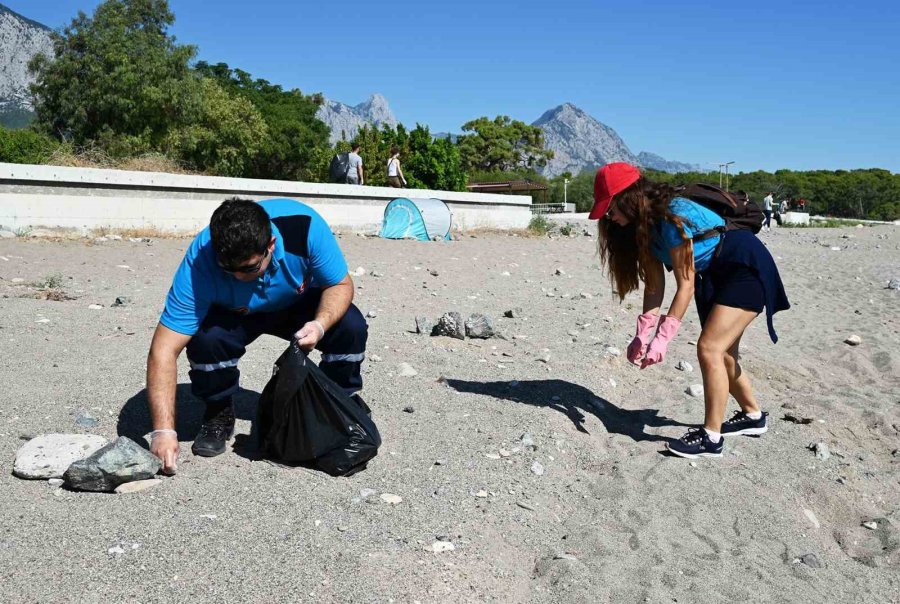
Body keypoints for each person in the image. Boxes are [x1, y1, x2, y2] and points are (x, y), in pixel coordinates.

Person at [146, 198, 368, 474]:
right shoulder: (201, 260)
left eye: (249, 268)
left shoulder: (306, 228)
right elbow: (164, 349)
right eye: (229, 270)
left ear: (271, 246)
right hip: (237, 312)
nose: (239, 277)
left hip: (295, 302)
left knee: (350, 325)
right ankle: (218, 411)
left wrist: (320, 325)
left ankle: (340, 403)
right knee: (206, 339)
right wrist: (163, 431)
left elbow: (340, 283)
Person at [589, 163, 789, 459]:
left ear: (627, 197)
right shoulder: (642, 228)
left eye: (610, 208)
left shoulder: (670, 216)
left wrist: (664, 338)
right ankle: (752, 416)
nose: (610, 217)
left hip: (743, 263)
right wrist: (642, 335)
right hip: (715, 274)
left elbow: (685, 284)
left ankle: (711, 437)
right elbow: (655, 286)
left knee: (709, 349)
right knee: (723, 354)